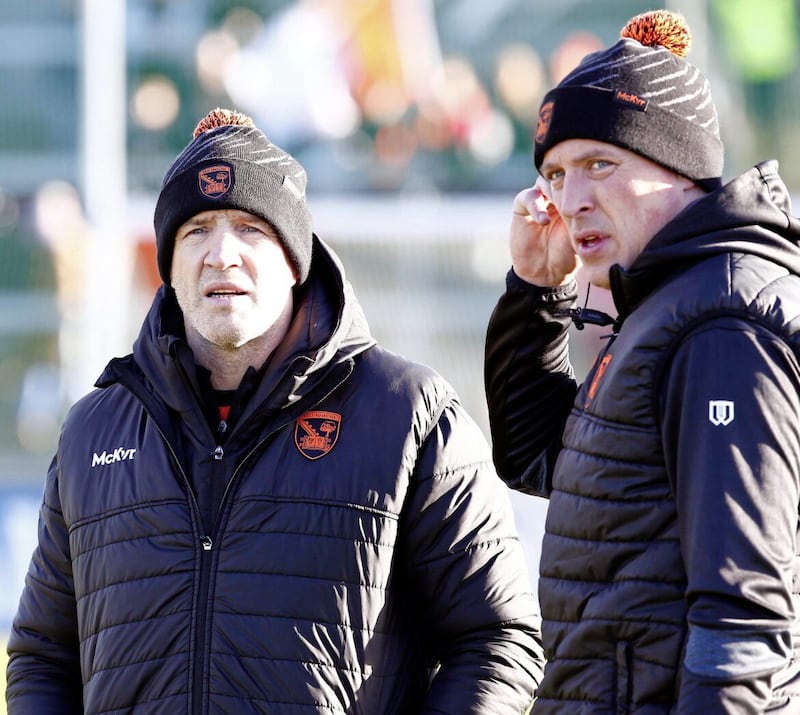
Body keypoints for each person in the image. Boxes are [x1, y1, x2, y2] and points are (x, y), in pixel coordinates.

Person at [6, 107, 544, 714]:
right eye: (196, 230)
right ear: (169, 266)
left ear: (294, 259)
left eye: (249, 228)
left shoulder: (408, 415)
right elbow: (42, 656)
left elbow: (500, 640)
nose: (221, 254)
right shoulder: (92, 430)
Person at [484, 9, 800, 714]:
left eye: (601, 164)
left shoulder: (721, 320)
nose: (572, 200)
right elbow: (540, 459)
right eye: (557, 174)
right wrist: (538, 291)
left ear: (680, 169)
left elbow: (743, 617)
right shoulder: (665, 305)